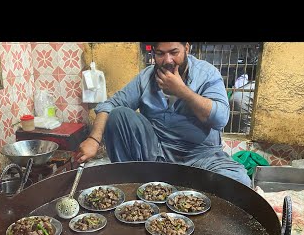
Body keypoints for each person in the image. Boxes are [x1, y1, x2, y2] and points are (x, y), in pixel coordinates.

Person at [76, 42, 251, 187]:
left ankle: (178, 189)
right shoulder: (146, 77)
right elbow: (110, 105)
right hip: (158, 155)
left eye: (174, 52)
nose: (168, 60)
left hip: (201, 157)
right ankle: (132, 187)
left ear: (187, 48)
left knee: (240, 181)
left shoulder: (207, 74)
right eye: (160, 53)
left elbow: (221, 119)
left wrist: (183, 91)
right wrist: (94, 139)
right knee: (119, 115)